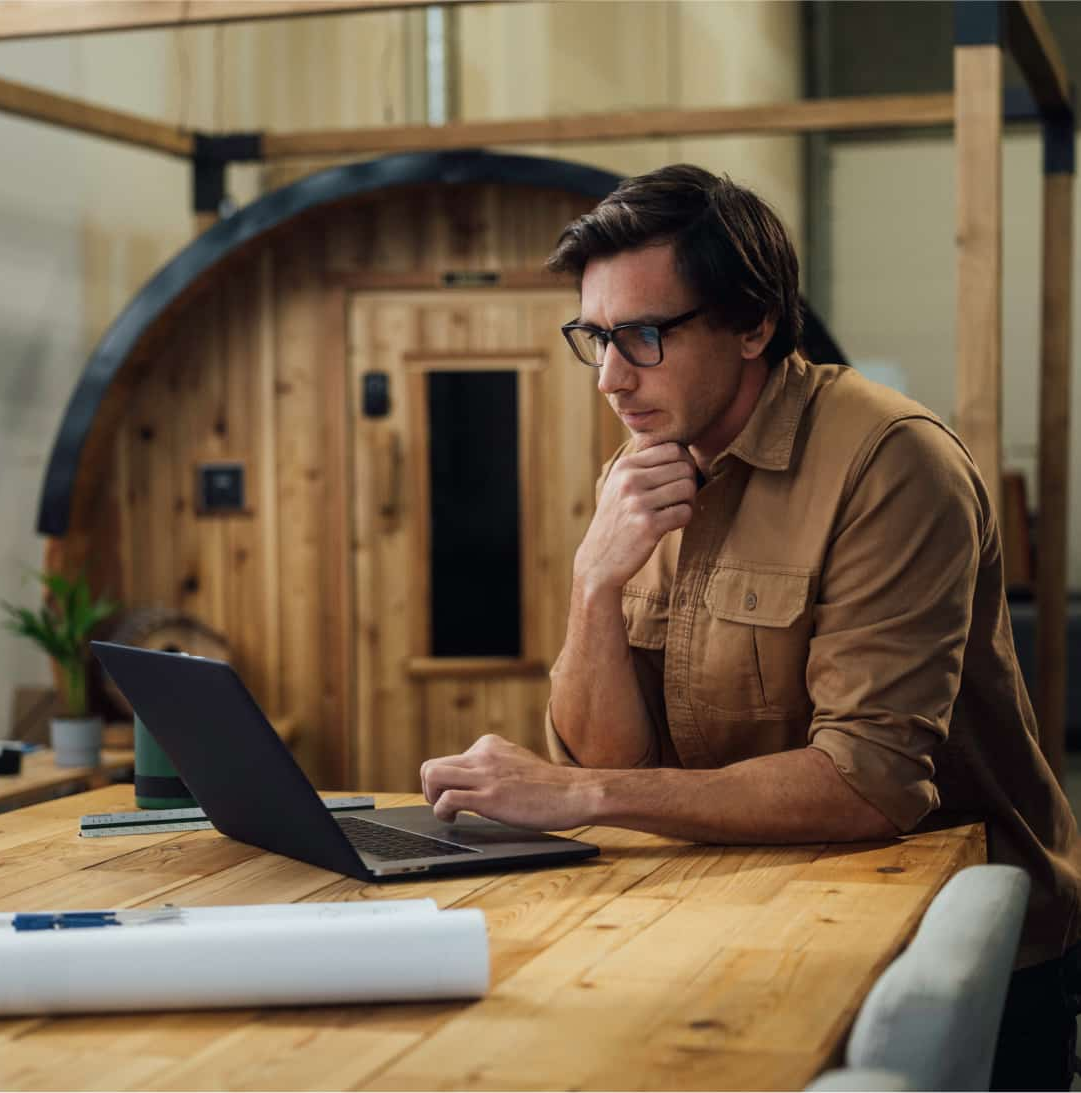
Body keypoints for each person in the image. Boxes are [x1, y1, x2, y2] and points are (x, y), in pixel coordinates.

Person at [419, 164, 1081, 1089]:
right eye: (595, 337)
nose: (610, 377)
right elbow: (609, 751)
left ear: (754, 324)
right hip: (751, 905)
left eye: (643, 335)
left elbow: (866, 785)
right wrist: (593, 582)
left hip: (953, 953)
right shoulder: (645, 461)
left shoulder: (892, 464)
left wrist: (586, 798)